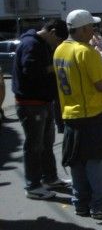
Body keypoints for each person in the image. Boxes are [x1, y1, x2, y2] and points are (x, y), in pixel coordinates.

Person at [53, 10, 102, 219]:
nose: (94, 31)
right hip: (92, 114)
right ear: (83, 29)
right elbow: (101, 85)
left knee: (78, 162)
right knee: (99, 163)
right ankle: (101, 204)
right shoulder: (86, 51)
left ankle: (80, 203)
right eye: (91, 27)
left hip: (70, 114)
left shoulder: (60, 50)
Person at [12, 19, 69, 200]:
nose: (57, 44)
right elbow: (30, 71)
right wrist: (53, 67)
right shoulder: (31, 44)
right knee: (34, 146)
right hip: (31, 103)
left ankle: (50, 178)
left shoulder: (41, 44)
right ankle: (33, 185)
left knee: (46, 144)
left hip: (43, 102)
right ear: (52, 32)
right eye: (58, 40)